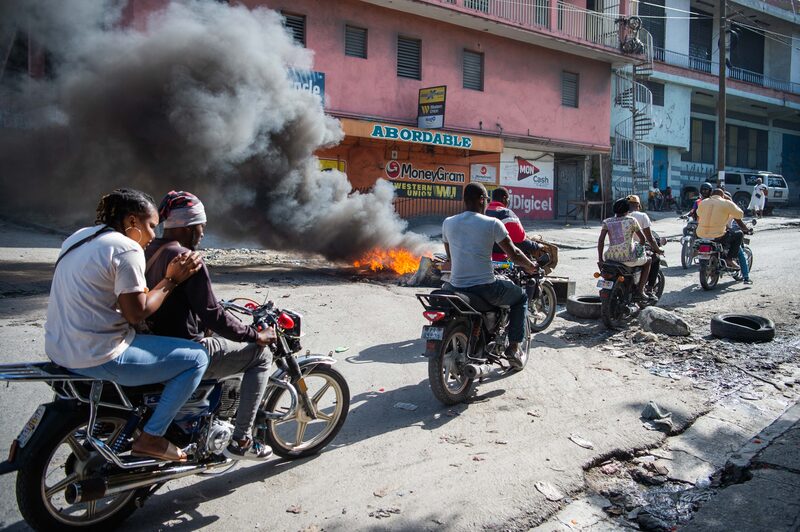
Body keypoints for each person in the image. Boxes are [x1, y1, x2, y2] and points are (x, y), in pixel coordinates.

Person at [45, 189, 206, 462]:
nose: (154, 235)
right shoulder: (127, 247)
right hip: (98, 354)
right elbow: (137, 313)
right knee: (196, 359)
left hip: (60, 349)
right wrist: (171, 279)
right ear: (132, 222)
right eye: (151, 226)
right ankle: (152, 436)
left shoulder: (79, 237)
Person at [145, 191, 277, 461]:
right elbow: (212, 314)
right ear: (189, 226)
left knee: (225, 336)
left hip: (154, 341)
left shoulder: (150, 249)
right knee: (261, 355)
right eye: (201, 226)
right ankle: (242, 439)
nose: (203, 233)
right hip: (183, 348)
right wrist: (255, 334)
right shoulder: (187, 259)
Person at [442, 183, 539, 368]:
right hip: (485, 287)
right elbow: (515, 254)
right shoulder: (493, 224)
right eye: (486, 200)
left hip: (455, 286)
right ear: (481, 200)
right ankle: (514, 348)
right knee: (521, 297)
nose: (486, 203)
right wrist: (531, 266)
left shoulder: (448, 222)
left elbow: (450, 258)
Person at [597, 198, 653, 302]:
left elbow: (601, 241)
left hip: (610, 258)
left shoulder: (607, 222)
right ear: (628, 210)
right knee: (648, 260)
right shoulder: (631, 220)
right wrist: (639, 249)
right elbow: (642, 239)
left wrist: (600, 259)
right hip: (628, 259)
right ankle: (641, 290)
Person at [696, 188, 752, 270]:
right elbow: (740, 214)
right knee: (739, 234)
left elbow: (698, 213)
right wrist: (729, 200)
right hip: (718, 235)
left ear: (711, 195)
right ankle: (729, 259)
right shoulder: (726, 203)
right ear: (723, 196)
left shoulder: (703, 202)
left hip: (701, 234)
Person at [485, 187, 541, 261]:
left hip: (480, 256)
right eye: (508, 199)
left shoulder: (483, 211)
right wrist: (536, 246)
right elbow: (520, 240)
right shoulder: (506, 214)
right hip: (500, 259)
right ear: (504, 198)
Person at [626, 195, 664, 298]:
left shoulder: (620, 216)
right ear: (638, 205)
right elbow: (649, 238)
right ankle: (648, 289)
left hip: (620, 250)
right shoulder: (642, 216)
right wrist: (657, 249)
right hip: (636, 249)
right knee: (655, 258)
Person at [722, 191, 753, 285]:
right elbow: (740, 224)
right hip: (723, 235)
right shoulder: (731, 210)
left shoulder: (712, 208)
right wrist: (747, 230)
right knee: (741, 254)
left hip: (708, 235)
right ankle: (746, 278)